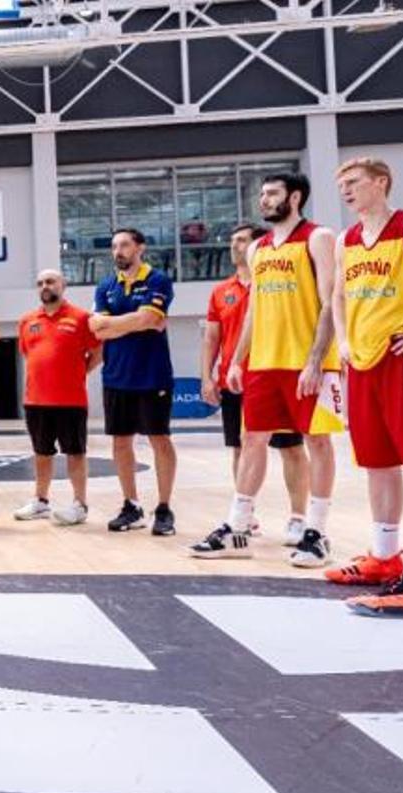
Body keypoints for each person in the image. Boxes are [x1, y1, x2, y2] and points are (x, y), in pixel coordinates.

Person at [192, 174, 342, 564]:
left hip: (309, 362)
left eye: (272, 193)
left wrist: (315, 360)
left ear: (294, 197)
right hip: (264, 362)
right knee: (252, 440)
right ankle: (238, 527)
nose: (264, 199)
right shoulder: (259, 248)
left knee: (318, 442)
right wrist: (238, 359)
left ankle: (317, 532)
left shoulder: (318, 237)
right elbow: (255, 309)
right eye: (261, 194)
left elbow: (330, 302)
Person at [328, 158, 403, 608]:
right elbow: (339, 297)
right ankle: (385, 556)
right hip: (363, 363)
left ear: (381, 183)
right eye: (341, 185)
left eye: (353, 182)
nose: (345, 191)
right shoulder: (348, 240)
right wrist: (344, 341)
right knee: (378, 463)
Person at [194, 222, 310, 554]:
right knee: (241, 448)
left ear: (259, 245)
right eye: (231, 240)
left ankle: (299, 517)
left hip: (276, 371)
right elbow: (211, 337)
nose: (234, 245)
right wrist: (207, 376)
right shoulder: (221, 291)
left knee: (291, 447)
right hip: (236, 378)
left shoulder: (280, 281)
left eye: (241, 240)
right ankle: (245, 519)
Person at [89, 228, 178, 536]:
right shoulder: (106, 286)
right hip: (116, 375)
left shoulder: (158, 280)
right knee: (120, 442)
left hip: (153, 375)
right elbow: (98, 331)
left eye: (124, 245)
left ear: (140, 247)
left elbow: (150, 319)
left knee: (160, 440)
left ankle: (164, 508)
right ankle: (132, 505)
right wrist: (136, 321)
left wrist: (115, 323)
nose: (118, 251)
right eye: (114, 246)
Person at [15, 269, 102, 526]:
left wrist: (77, 373)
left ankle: (80, 505)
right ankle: (41, 502)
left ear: (63, 285)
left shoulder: (81, 317)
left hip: (71, 400)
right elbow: (28, 354)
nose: (45, 286)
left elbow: (97, 352)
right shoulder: (27, 320)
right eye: (40, 282)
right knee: (42, 453)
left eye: (50, 281)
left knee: (75, 453)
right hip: (35, 401)